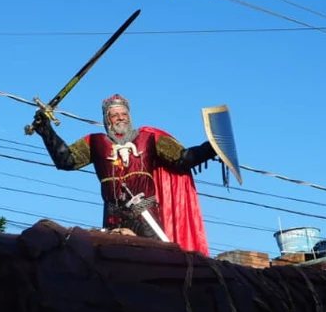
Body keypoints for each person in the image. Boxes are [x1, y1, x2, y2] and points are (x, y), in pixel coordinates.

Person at [31, 93, 217, 254]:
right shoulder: (94, 142)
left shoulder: (149, 138)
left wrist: (213, 147)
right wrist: (46, 130)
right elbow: (66, 160)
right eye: (114, 115)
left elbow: (184, 158)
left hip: (146, 217)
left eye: (124, 114)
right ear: (107, 119)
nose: (121, 118)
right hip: (113, 219)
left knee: (161, 262)